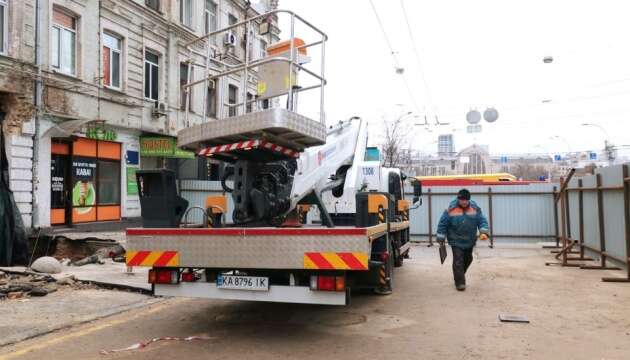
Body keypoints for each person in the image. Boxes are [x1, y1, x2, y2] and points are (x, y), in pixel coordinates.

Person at [436, 189, 489, 291]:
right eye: (462, 200)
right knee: (458, 260)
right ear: (458, 199)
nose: (464, 202)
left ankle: (458, 274)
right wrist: (440, 237)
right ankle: (460, 283)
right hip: (455, 239)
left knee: (469, 259)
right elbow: (443, 223)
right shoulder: (450, 209)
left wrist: (483, 231)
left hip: (469, 239)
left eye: (466, 200)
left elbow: (482, 220)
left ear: (469, 200)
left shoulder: (475, 208)